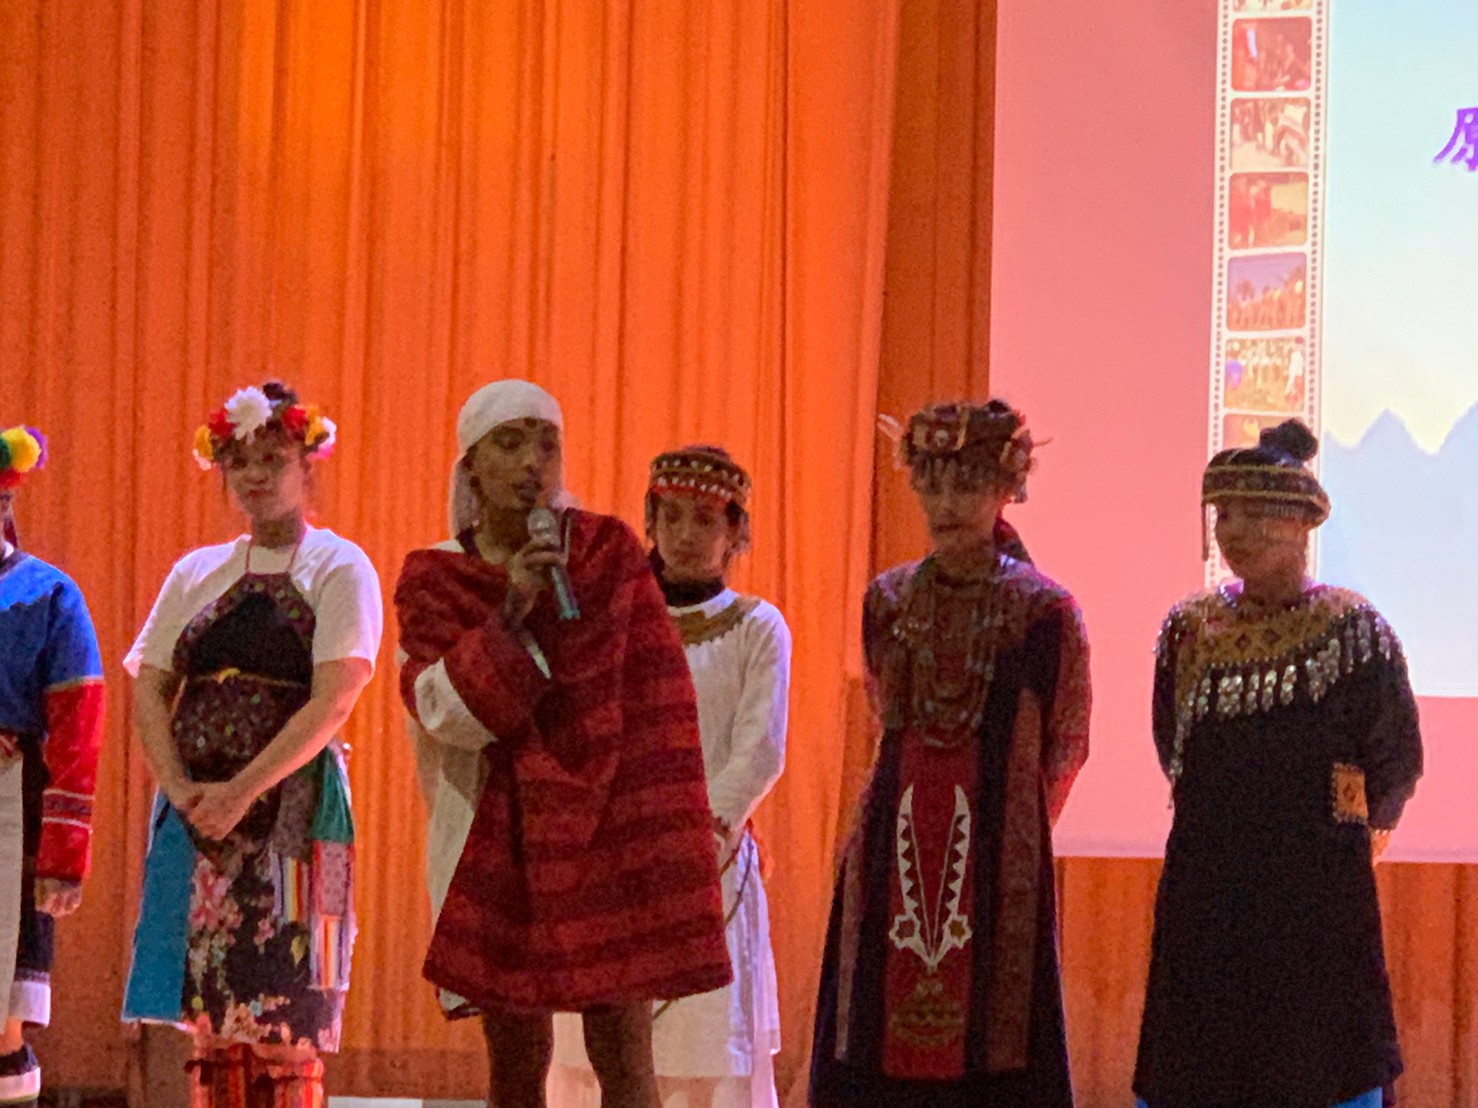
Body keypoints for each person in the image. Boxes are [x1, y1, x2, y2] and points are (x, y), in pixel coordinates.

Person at [395, 380, 731, 1108]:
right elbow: (440, 711)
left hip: (612, 827)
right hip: (500, 840)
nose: (532, 463)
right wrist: (512, 609)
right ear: (471, 467)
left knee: (625, 1054)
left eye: (546, 444)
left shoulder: (608, 552)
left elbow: (656, 702)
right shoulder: (436, 576)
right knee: (518, 1059)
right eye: (510, 443)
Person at [810, 400, 1091, 1107]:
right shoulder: (887, 599)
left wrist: (1020, 832)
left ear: (1005, 488)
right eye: (932, 485)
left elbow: (1067, 740)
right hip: (896, 828)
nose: (946, 504)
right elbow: (885, 709)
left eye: (966, 485)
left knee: (996, 1021)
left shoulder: (1045, 611)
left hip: (997, 845)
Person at [1133, 419, 1422, 1108]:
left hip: (1318, 895)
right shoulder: (1189, 629)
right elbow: (1171, 741)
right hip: (1209, 885)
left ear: (1299, 524)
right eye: (1224, 514)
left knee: (1320, 1055)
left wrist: (1343, 847)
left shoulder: (1354, 630)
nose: (1233, 531)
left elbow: (1395, 758)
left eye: (1254, 514)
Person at [122, 383, 383, 1108]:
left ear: (307, 466)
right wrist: (181, 790)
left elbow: (335, 697)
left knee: (285, 1021)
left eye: (273, 459)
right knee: (208, 1023)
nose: (255, 475)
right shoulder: (194, 572)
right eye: (239, 462)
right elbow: (150, 687)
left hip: (293, 816)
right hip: (199, 815)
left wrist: (243, 791)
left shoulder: (339, 566)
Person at [548, 446, 790, 1108]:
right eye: (673, 516)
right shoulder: (606, 615)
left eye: (706, 519)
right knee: (593, 1059)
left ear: (735, 531)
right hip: (610, 863)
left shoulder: (757, 628)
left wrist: (692, 839)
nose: (686, 534)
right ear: (650, 520)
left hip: (708, 866)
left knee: (701, 1058)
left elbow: (761, 750)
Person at [0, 426, 105, 1107]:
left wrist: (63, 853)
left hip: (10, 812)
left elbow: (78, 724)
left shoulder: (45, 594)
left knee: (2, 1021)